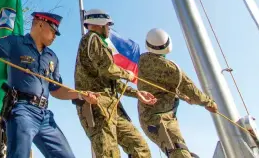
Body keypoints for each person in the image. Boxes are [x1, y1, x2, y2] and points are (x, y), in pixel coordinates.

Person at [0, 12, 100, 158]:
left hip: (45, 115)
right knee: (19, 155)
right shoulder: (16, 43)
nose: (54, 36)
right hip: (22, 110)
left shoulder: (52, 57)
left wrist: (80, 94)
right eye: (52, 31)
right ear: (40, 24)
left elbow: (56, 89)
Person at [74, 9, 157, 158]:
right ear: (100, 24)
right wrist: (127, 74)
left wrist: (137, 93)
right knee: (109, 154)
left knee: (139, 147)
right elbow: (107, 69)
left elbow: (112, 80)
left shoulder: (99, 42)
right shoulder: (92, 38)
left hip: (112, 106)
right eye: (108, 25)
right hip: (97, 105)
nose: (109, 29)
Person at [137, 28, 218, 158]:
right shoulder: (170, 69)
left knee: (182, 152)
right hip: (161, 120)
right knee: (179, 152)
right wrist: (209, 102)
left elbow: (162, 85)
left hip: (150, 119)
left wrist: (183, 96)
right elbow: (189, 87)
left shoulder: (142, 60)